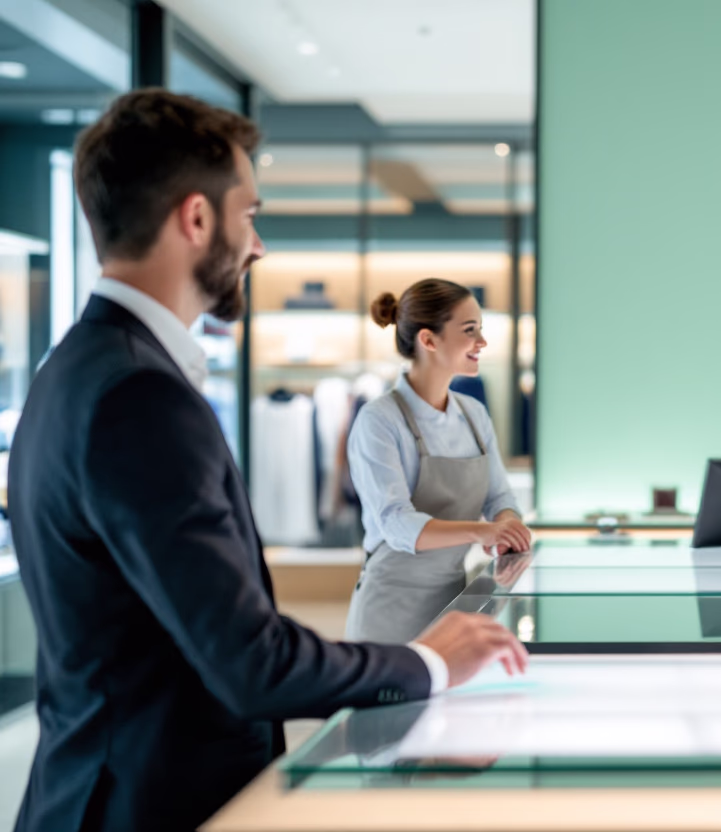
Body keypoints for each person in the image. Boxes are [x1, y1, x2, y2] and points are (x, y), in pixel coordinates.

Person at [7, 90, 527, 832]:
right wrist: (430, 661)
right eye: (249, 215)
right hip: (149, 804)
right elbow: (252, 661)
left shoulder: (78, 369)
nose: (260, 246)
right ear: (196, 219)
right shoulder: (139, 396)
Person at [345, 279, 532, 644]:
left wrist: (507, 526)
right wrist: (482, 532)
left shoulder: (474, 414)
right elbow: (396, 524)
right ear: (428, 340)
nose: (482, 342)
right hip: (389, 612)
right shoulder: (379, 420)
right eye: (469, 330)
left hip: (454, 602)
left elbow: (499, 498)